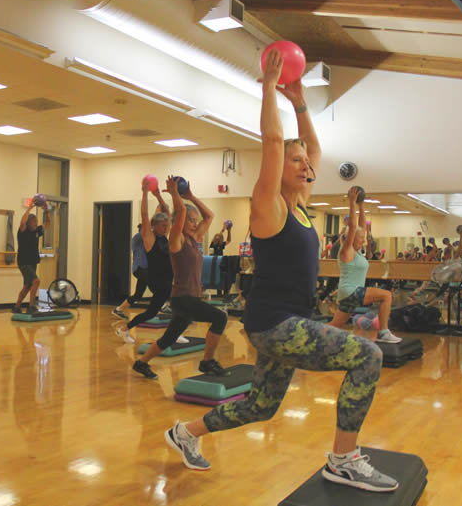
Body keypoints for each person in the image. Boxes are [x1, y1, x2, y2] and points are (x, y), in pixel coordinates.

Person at [164, 49, 397, 493]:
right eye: (297, 162)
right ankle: (344, 458)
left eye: (307, 164)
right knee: (368, 356)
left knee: (261, 406)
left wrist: (300, 101)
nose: (307, 165)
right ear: (278, 170)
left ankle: (184, 433)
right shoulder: (268, 207)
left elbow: (313, 148)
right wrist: (270, 89)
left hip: (286, 321)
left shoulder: (303, 208)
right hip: (275, 324)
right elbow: (274, 143)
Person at [132, 177, 228, 379]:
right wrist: (175, 195)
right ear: (180, 222)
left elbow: (209, 216)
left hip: (188, 298)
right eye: (191, 221)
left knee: (169, 338)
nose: (194, 224)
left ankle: (141, 363)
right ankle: (208, 361)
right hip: (184, 298)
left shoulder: (196, 239)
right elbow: (181, 213)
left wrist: (190, 196)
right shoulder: (177, 240)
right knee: (220, 318)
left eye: (195, 221)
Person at [329, 187, 401, 344]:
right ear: (351, 237)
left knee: (334, 326)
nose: (363, 240)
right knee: (386, 295)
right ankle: (383, 332)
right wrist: (352, 203)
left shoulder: (358, 251)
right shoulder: (346, 250)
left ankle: (312, 337)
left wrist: (362, 205)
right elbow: (354, 227)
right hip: (351, 291)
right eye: (360, 238)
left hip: (347, 294)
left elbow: (361, 226)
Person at [115, 178, 171, 343]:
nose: (166, 229)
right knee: (177, 305)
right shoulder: (150, 238)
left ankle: (125, 329)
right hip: (158, 280)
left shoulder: (163, 236)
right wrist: (145, 193)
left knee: (153, 312)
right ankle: (125, 329)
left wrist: (159, 195)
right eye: (163, 226)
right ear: (154, 226)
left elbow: (167, 212)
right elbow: (145, 215)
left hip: (168, 279)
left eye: (167, 226)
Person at [13, 202, 51, 314]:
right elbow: (22, 222)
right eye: (34, 221)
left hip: (33, 262)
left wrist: (47, 210)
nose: (36, 223)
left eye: (36, 222)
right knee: (36, 281)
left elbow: (48, 223)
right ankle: (31, 306)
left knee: (27, 285)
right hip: (24, 262)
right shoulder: (23, 231)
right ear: (28, 223)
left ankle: (16, 307)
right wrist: (29, 208)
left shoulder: (36, 231)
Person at [112, 224, 149, 319]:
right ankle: (162, 305)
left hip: (144, 270)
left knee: (138, 295)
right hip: (139, 269)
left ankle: (118, 309)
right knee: (154, 280)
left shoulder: (146, 242)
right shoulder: (137, 238)